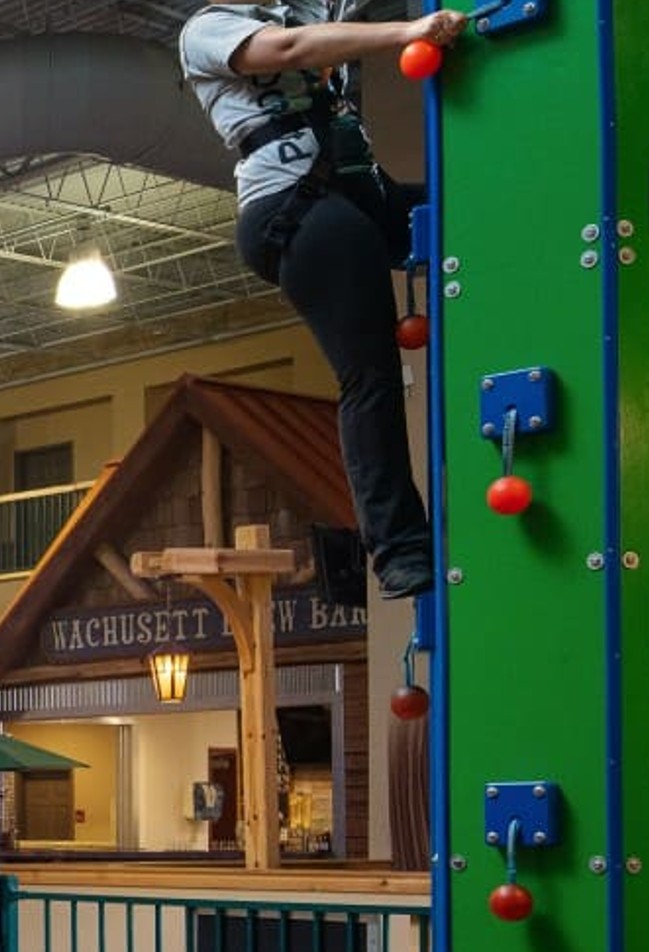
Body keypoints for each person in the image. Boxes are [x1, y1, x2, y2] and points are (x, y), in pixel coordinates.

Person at [180, 2, 466, 600]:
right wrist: (407, 32)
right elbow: (289, 51)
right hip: (294, 206)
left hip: (359, 191)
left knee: (470, 201)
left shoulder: (301, 10)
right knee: (370, 376)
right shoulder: (209, 30)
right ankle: (396, 546)